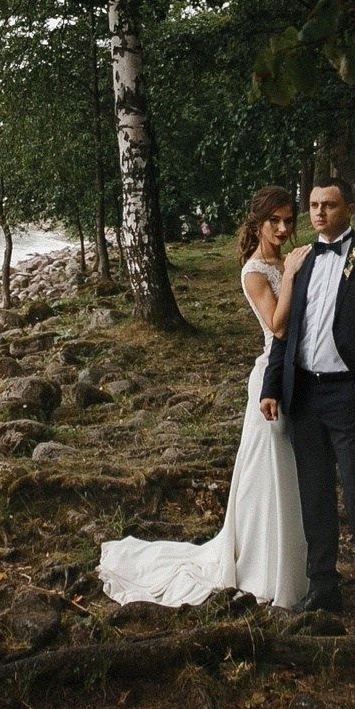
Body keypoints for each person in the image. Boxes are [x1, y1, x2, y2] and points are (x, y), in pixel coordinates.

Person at [98, 187, 309, 609]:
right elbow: (278, 325)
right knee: (265, 477)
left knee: (290, 474)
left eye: (289, 220)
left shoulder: (287, 260)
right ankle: (261, 569)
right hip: (270, 378)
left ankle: (297, 567)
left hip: (298, 376)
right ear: (258, 223)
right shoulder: (255, 272)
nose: (284, 228)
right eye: (276, 221)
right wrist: (289, 276)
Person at [258, 178, 355, 635]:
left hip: (349, 395)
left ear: (351, 208)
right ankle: (323, 586)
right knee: (315, 497)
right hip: (303, 393)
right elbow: (286, 331)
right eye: (314, 205)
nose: (319, 213)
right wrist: (272, 384)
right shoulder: (298, 261)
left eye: (329, 204)